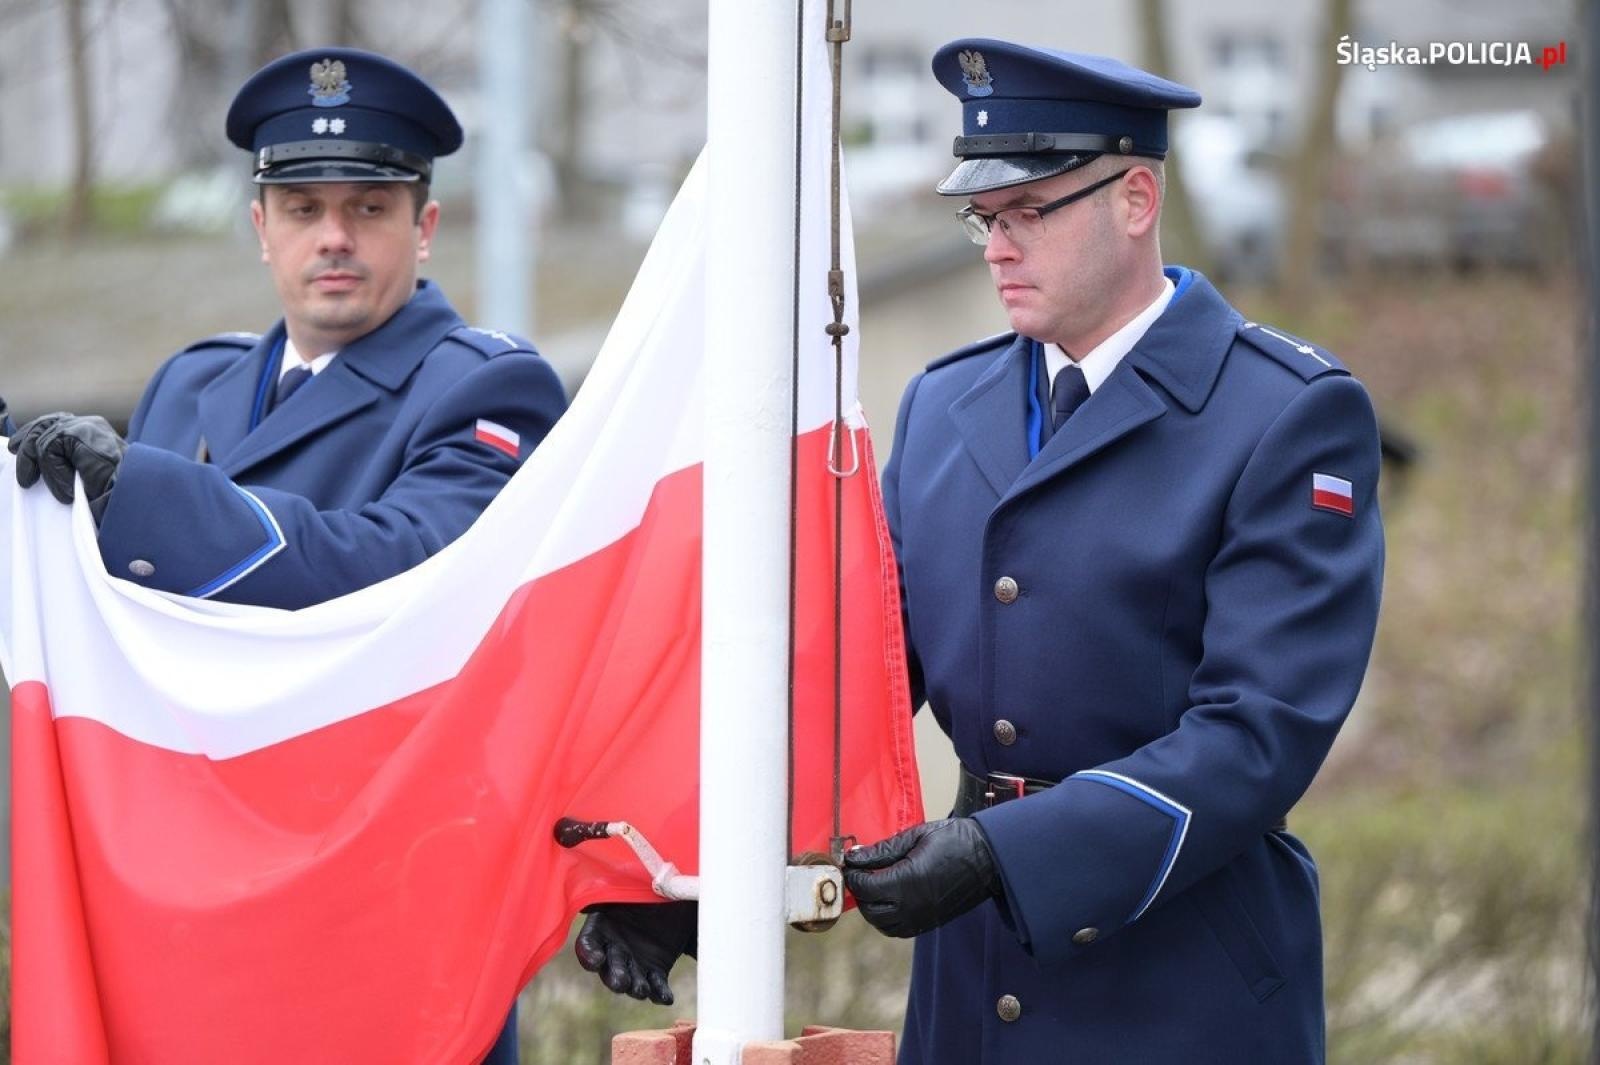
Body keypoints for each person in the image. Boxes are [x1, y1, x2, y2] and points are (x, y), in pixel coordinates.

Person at [6, 47, 569, 1064]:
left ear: (425, 227)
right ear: (260, 228)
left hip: (387, 891)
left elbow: (397, 566)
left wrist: (143, 499)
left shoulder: (489, 390)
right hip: (194, 880)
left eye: (369, 207)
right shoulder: (195, 384)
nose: (335, 238)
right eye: (303, 209)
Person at [841, 40, 1384, 1064]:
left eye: (1029, 212)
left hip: (1179, 986)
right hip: (973, 988)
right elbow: (856, 686)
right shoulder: (944, 403)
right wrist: (702, 879)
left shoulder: (1284, 415)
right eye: (984, 219)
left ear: (1135, 199)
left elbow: (1257, 735)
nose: (997, 246)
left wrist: (1001, 853)